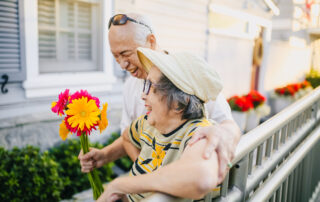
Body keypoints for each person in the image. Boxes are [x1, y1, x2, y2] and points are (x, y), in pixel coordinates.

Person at [79, 13, 240, 184]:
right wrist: (105, 155)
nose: (122, 64)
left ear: (151, 41)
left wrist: (225, 134)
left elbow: (227, 125)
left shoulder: (185, 75)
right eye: (115, 56)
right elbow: (130, 135)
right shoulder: (130, 86)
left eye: (125, 53)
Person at [97, 47, 223, 202]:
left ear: (179, 104)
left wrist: (121, 185)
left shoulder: (198, 132)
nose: (143, 95)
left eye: (151, 86)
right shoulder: (147, 123)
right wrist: (143, 170)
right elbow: (127, 138)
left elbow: (201, 179)